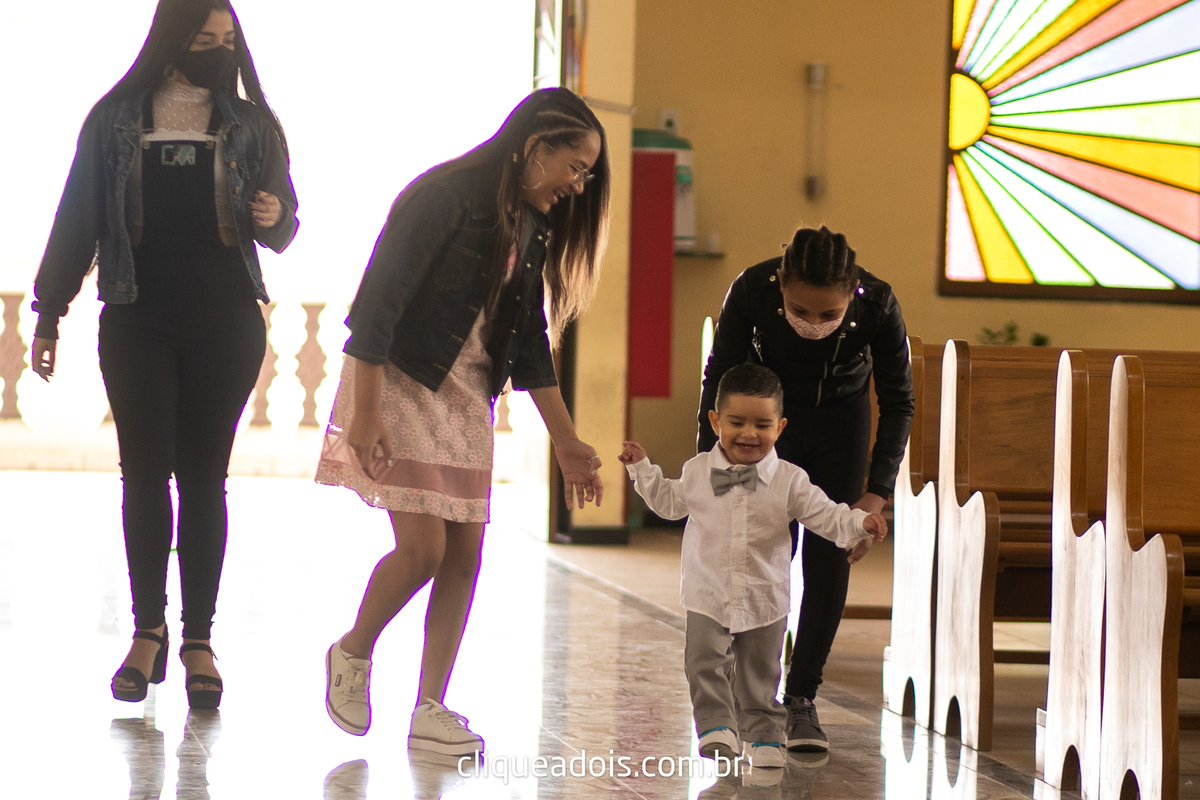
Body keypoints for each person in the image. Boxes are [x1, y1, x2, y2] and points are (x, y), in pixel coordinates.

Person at [315, 88, 609, 750]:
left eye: (588, 175)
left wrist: (567, 441)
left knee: (465, 557)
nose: (578, 185)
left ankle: (430, 707)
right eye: (575, 166)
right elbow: (375, 309)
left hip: (467, 395)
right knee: (422, 551)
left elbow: (529, 340)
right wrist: (364, 412)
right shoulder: (444, 197)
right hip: (398, 380)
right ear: (536, 146)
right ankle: (353, 651)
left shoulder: (532, 226)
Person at [29, 0, 298, 709]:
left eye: (227, 41)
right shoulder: (115, 118)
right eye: (203, 39)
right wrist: (50, 311)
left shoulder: (253, 125)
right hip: (136, 318)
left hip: (227, 321)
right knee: (144, 475)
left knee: (204, 479)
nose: (218, 52)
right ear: (171, 39)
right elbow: (77, 217)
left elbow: (284, 226)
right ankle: (146, 633)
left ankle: (198, 641)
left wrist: (274, 217)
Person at [698, 226, 914, 752]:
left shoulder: (879, 303)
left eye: (828, 315)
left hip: (842, 426)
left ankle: (801, 699)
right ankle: (748, 694)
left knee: (828, 558)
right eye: (802, 310)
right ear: (782, 285)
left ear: (851, 293)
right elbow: (718, 376)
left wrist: (876, 492)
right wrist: (711, 470)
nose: (814, 324)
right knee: (761, 557)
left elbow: (899, 402)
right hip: (767, 426)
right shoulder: (752, 289)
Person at [621, 364, 887, 768]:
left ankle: (763, 735)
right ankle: (715, 726)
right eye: (737, 422)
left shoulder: (790, 480)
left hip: (765, 595)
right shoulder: (698, 472)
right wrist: (643, 470)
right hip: (707, 590)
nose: (749, 434)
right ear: (715, 422)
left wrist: (858, 522)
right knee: (703, 659)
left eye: (762, 424)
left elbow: (826, 516)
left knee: (761, 672)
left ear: (780, 427)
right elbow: (669, 503)